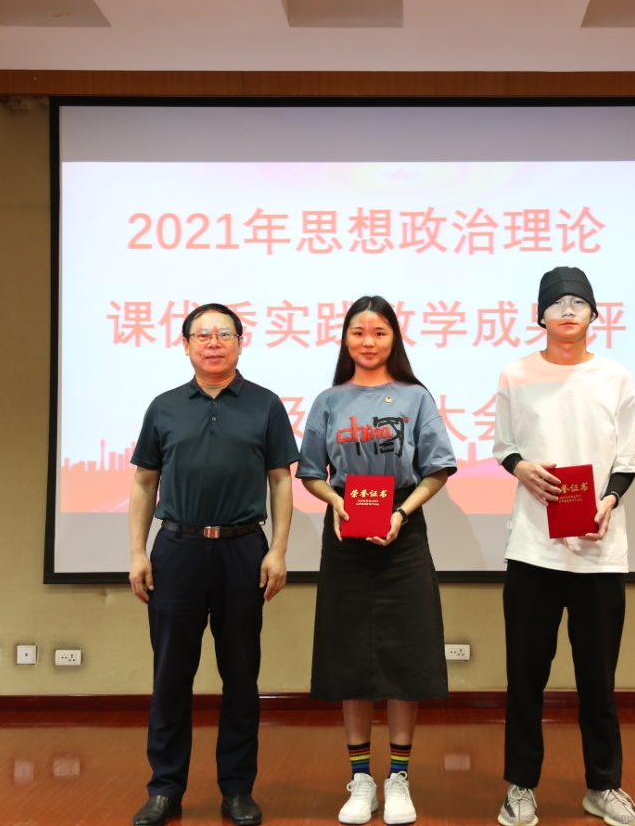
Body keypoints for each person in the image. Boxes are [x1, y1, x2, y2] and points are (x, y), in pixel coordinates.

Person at [127, 302, 299, 826]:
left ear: (241, 343)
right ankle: (165, 789)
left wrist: (278, 549)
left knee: (241, 676)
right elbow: (144, 483)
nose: (213, 342)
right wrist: (137, 551)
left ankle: (237, 789)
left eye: (224, 333)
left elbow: (281, 481)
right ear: (185, 346)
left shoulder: (265, 405)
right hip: (176, 550)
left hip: (242, 550)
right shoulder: (164, 407)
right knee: (170, 676)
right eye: (202, 334)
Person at [492, 267, 635, 826]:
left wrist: (609, 500)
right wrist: (522, 468)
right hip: (534, 549)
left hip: (598, 551)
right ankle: (520, 786)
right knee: (525, 677)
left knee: (598, 681)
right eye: (557, 303)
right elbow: (504, 445)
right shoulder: (516, 373)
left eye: (579, 302)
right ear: (540, 315)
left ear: (594, 314)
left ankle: (604, 786)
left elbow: (627, 458)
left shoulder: (615, 376)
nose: (568, 310)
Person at [296, 296, 457, 826]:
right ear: (345, 339)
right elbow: (311, 471)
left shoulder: (414, 397)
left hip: (401, 529)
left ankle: (399, 778)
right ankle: (362, 777)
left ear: (394, 339)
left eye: (379, 332)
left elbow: (437, 467)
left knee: (405, 655)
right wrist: (335, 501)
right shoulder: (329, 400)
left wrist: (402, 513)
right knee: (351, 656)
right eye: (358, 332)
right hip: (346, 528)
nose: (368, 341)